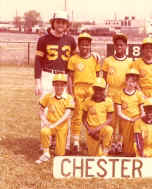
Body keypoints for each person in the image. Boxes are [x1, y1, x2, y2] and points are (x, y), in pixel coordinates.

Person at [34, 10, 76, 151]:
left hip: (64, 76)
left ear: (67, 25)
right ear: (53, 22)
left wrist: (92, 54)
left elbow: (76, 59)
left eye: (63, 22)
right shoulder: (43, 40)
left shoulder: (71, 40)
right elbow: (38, 61)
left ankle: (64, 142)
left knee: (65, 108)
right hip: (48, 75)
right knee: (46, 109)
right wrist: (37, 81)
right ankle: (46, 142)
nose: (60, 24)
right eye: (58, 21)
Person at [67, 32, 100, 154]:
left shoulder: (94, 59)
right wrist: (71, 93)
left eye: (87, 45)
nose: (84, 47)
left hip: (91, 90)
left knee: (91, 115)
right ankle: (75, 141)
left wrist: (97, 92)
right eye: (82, 45)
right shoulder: (74, 59)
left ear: (90, 46)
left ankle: (89, 141)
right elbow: (70, 77)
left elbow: (97, 77)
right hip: (78, 89)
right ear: (78, 45)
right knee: (77, 115)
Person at [35, 74, 74, 164]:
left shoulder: (69, 98)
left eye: (61, 85)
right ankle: (46, 153)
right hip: (51, 124)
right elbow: (41, 110)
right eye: (56, 84)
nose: (59, 87)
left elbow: (67, 115)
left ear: (65, 85)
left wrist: (55, 125)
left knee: (59, 154)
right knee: (44, 131)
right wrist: (45, 121)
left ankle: (57, 146)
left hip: (61, 126)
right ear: (53, 85)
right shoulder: (48, 96)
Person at [102, 33, 133, 133]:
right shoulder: (108, 61)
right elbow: (104, 79)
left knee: (123, 120)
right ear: (114, 46)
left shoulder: (130, 62)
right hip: (111, 93)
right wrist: (103, 94)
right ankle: (110, 142)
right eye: (117, 45)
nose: (119, 47)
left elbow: (132, 79)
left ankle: (120, 142)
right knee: (111, 119)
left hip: (124, 93)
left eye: (121, 45)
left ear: (126, 46)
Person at [116, 69, 145, 157]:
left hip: (137, 120)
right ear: (126, 81)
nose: (131, 84)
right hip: (126, 120)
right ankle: (128, 153)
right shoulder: (119, 94)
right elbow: (119, 112)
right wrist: (129, 119)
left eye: (133, 82)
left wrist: (136, 119)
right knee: (127, 146)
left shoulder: (139, 94)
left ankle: (138, 154)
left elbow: (143, 112)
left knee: (137, 139)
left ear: (136, 84)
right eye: (129, 81)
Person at [82, 78, 114, 156]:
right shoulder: (87, 101)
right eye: (96, 89)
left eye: (100, 89)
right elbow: (83, 118)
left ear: (104, 90)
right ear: (93, 89)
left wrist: (97, 129)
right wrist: (90, 130)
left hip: (102, 128)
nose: (98, 91)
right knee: (93, 156)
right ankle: (98, 148)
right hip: (91, 129)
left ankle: (105, 151)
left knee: (109, 130)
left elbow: (110, 118)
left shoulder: (108, 101)